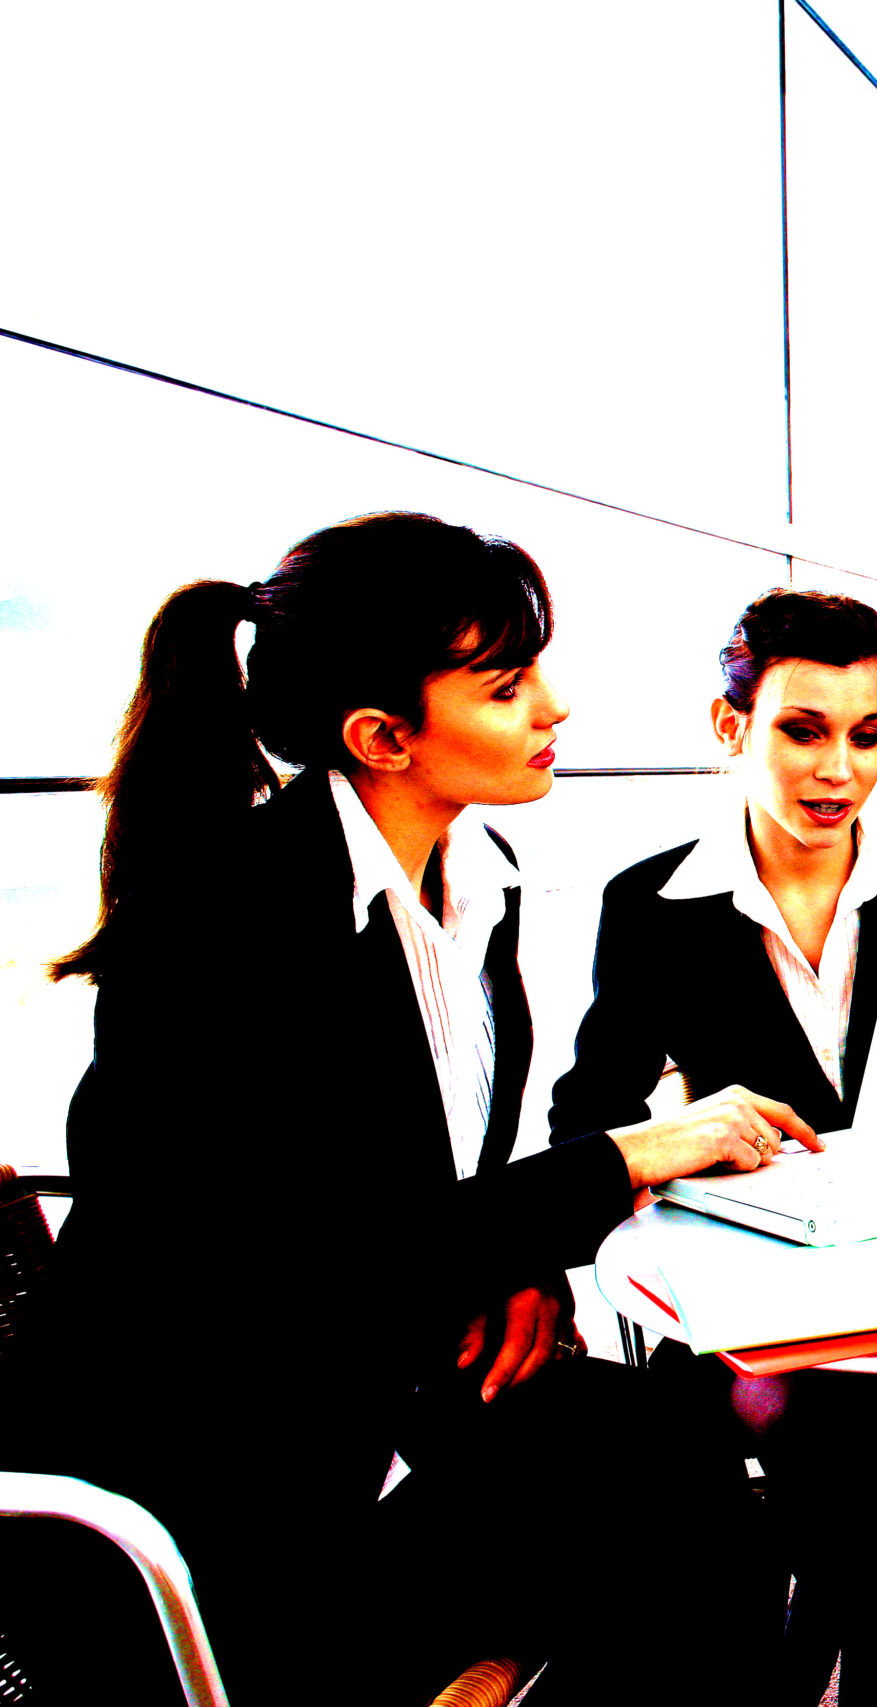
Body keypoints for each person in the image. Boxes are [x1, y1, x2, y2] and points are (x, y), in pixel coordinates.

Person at [9, 512, 800, 1706]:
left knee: (688, 1468)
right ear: (382, 737)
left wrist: (512, 1265)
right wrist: (625, 1157)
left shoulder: (468, 892)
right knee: (674, 1529)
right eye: (506, 686)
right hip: (220, 1521)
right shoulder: (225, 931)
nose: (555, 707)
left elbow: (407, 1204)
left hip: (364, 1420)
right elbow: (297, 1268)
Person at [546, 587, 877, 1705]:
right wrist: (683, 1137)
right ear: (731, 727)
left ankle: (830, 1613)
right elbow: (585, 1121)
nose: (839, 770)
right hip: (764, 1287)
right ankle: (869, 1636)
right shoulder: (655, 903)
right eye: (803, 731)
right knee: (800, 1400)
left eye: (868, 734)